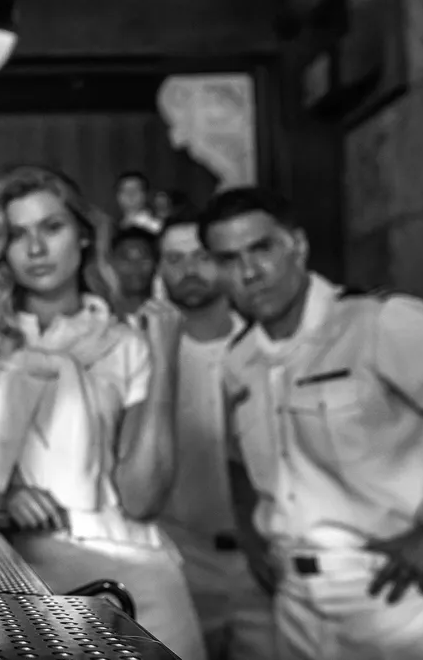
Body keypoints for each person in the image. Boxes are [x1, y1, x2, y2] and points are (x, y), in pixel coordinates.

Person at [0, 165, 204, 659]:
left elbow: (143, 498)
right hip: (6, 571)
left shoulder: (125, 341)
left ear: (85, 236)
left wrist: (165, 365)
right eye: (16, 234)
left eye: (52, 228)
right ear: (0, 247)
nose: (35, 249)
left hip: (132, 569)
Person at [202, 187, 423, 660]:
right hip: (293, 600)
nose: (249, 272)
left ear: (297, 246)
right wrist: (252, 536)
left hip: (394, 594)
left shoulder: (377, 322)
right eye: (228, 259)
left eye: (262, 249)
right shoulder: (239, 360)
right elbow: (239, 460)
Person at [155, 209, 276, 659]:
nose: (188, 270)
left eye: (202, 256)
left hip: (263, 563)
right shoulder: (142, 356)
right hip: (176, 559)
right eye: (173, 258)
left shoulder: (267, 346)